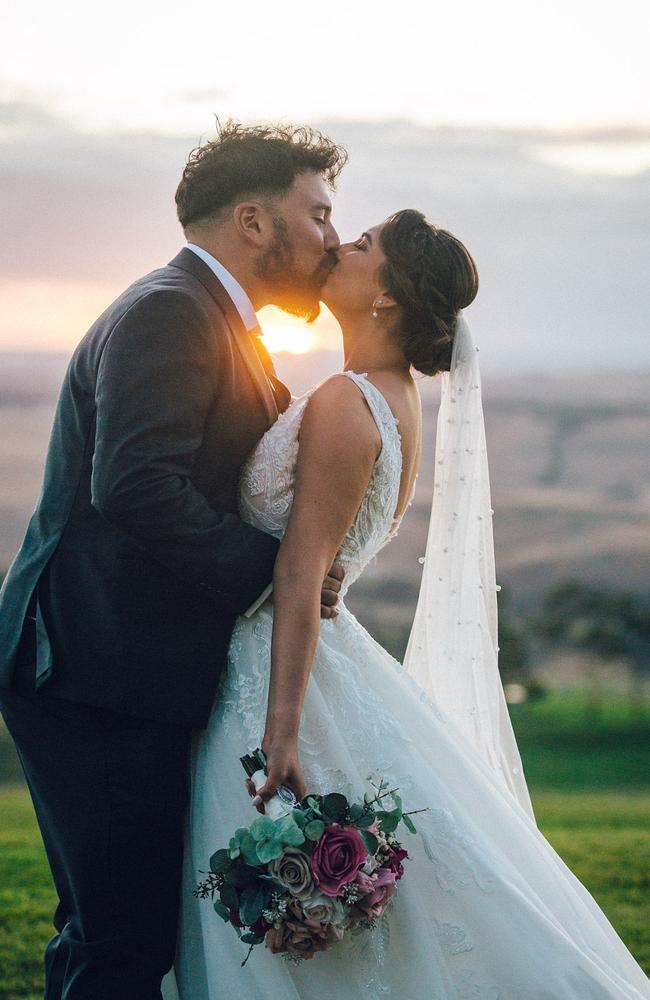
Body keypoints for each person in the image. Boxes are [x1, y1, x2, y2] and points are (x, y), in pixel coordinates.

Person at [162, 210, 650, 998]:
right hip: (321, 661)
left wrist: (280, 731)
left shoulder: (345, 404)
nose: (338, 246)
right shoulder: (393, 400)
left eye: (360, 246)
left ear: (385, 297)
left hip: (279, 679)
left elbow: (301, 573)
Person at [0, 121, 349, 1000]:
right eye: (318, 212)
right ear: (253, 220)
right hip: (87, 667)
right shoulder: (170, 311)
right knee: (120, 936)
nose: (333, 239)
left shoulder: (211, 317)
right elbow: (137, 485)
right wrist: (271, 574)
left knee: (120, 927)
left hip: (123, 667)